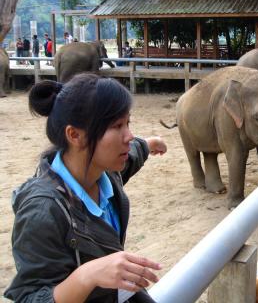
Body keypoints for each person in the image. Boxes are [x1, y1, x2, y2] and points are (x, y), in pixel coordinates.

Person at [4, 73, 167, 302]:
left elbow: (132, 155)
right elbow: (30, 296)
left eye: (128, 123)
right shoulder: (42, 210)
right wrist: (86, 276)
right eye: (117, 125)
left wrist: (149, 144)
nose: (129, 136)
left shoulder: (105, 172)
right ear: (75, 135)